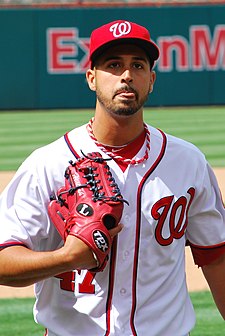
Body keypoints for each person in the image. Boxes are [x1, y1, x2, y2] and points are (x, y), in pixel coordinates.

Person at [0, 20, 225, 336]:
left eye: (138, 65)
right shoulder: (48, 165)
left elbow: (216, 257)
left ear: (152, 80)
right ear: (91, 78)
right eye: (113, 64)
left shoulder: (188, 162)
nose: (127, 75)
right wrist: (66, 258)